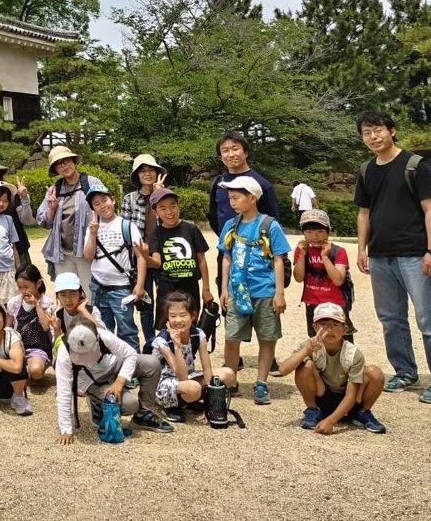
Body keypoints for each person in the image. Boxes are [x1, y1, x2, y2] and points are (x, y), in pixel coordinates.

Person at [355, 110, 431, 403]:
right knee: (390, 318)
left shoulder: (415, 165)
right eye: (366, 133)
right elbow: (364, 213)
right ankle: (404, 371)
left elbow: (430, 208)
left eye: (378, 130)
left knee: (430, 318)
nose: (373, 137)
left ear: (392, 130)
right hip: (380, 255)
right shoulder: (366, 170)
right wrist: (361, 249)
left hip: (415, 253)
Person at [218, 176, 289, 405]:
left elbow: (278, 260)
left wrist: (279, 293)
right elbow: (226, 258)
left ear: (252, 198)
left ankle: (261, 383)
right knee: (231, 337)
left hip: (265, 290)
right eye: (230, 198)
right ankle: (230, 381)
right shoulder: (230, 225)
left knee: (267, 338)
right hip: (237, 291)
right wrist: (224, 288)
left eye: (236, 197)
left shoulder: (270, 225)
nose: (232, 202)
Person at [54, 318, 173, 445]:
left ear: (97, 338)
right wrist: (66, 429)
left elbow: (130, 354)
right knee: (130, 405)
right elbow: (64, 389)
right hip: (91, 381)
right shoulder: (64, 352)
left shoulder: (104, 336)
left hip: (113, 365)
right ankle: (97, 403)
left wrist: (119, 382)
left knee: (151, 363)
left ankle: (143, 415)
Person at [277, 302, 386, 434]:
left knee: (375, 373)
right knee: (305, 365)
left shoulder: (352, 354)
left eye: (335, 325)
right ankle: (313, 410)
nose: (329, 329)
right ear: (315, 327)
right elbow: (283, 370)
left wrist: (331, 421)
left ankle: (362, 412)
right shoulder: (310, 345)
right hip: (322, 397)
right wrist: (306, 351)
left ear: (345, 329)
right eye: (324, 324)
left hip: (351, 401)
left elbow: (351, 395)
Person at [207, 131, 280, 295]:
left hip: (257, 255)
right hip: (227, 252)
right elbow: (214, 216)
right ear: (220, 156)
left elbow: (273, 220)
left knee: (260, 300)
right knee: (229, 300)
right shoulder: (219, 184)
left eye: (235, 149)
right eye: (225, 150)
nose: (231, 154)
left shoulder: (262, 184)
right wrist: (228, 238)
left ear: (246, 152)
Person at [145, 291, 232, 422]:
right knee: (193, 388)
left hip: (188, 377)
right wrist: (176, 346)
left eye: (183, 315)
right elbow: (182, 376)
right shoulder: (162, 341)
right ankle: (169, 406)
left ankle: (189, 401)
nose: (178, 320)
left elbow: (207, 368)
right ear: (167, 318)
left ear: (193, 316)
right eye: (172, 316)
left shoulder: (198, 334)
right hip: (165, 382)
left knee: (228, 374)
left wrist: (210, 402)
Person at [82, 183, 147, 350]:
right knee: (103, 330)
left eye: (105, 200)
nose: (103, 205)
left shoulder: (127, 226)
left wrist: (140, 284)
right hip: (98, 286)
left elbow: (141, 256)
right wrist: (93, 234)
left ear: (113, 200)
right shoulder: (92, 228)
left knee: (127, 330)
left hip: (121, 288)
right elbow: (88, 256)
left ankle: (133, 363)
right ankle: (110, 363)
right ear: (93, 209)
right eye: (97, 204)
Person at [145, 187, 213, 327]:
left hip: (190, 285)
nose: (169, 212)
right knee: (168, 326)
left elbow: (201, 259)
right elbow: (157, 263)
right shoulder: (156, 234)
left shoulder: (191, 229)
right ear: (155, 212)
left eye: (173, 206)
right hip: (167, 287)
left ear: (178, 206)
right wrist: (144, 256)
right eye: (163, 208)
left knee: (191, 325)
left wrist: (206, 289)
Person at [37, 145, 102, 290]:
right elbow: (43, 221)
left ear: (73, 161)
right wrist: (52, 209)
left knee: (90, 293)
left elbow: (106, 210)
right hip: (62, 253)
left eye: (65, 161)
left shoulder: (91, 183)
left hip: (86, 252)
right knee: (67, 293)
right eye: (58, 164)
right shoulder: (55, 189)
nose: (63, 166)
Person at [120, 153, 164, 343]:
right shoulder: (129, 199)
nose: (147, 174)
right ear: (137, 176)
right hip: (139, 258)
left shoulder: (165, 195)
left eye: (150, 170)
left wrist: (157, 196)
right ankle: (150, 343)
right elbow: (125, 230)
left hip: (162, 256)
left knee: (166, 301)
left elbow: (170, 222)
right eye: (142, 171)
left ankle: (166, 341)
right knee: (146, 304)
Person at [293, 208, 354, 342]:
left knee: (342, 339)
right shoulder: (302, 250)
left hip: (336, 303)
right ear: (303, 233)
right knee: (317, 340)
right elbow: (298, 278)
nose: (314, 237)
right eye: (309, 232)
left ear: (328, 231)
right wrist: (301, 256)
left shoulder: (338, 251)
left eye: (320, 232)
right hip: (312, 302)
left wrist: (325, 257)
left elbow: (338, 280)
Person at [6, 264, 57, 384]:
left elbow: (45, 326)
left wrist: (37, 305)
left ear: (38, 284)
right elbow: (8, 326)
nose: (24, 291)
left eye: (26, 287)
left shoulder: (46, 303)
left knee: (36, 371)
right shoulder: (14, 302)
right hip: (17, 346)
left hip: (38, 347)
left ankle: (41, 365)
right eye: (20, 287)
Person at [52, 271, 103, 340]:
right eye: (63, 295)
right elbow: (57, 345)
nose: (68, 300)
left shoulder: (91, 311)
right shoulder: (58, 315)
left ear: (80, 294)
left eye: (73, 294)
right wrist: (57, 330)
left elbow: (104, 335)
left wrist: (83, 311)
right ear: (57, 296)